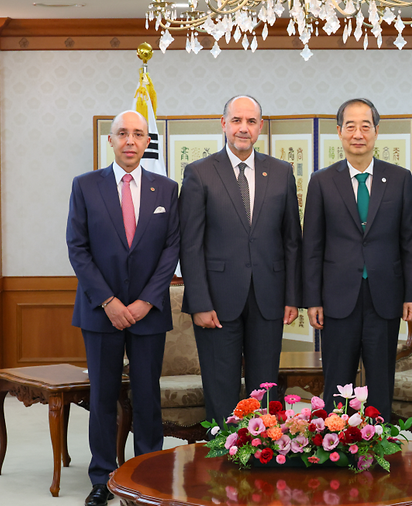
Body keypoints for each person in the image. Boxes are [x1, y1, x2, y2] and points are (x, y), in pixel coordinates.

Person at [66, 110, 180, 506]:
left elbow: (171, 250)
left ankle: (147, 472)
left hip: (149, 312)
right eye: (122, 134)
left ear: (147, 140)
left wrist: (146, 300)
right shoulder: (85, 186)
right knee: (103, 397)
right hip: (100, 312)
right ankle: (102, 477)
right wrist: (110, 302)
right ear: (110, 141)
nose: (130, 141)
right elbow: (77, 249)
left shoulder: (166, 189)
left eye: (138, 134)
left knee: (148, 396)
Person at [179, 95, 302, 427]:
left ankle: (265, 458)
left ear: (260, 126)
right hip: (216, 302)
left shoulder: (281, 172)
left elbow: (292, 240)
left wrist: (293, 296)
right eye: (236, 121)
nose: (243, 128)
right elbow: (189, 245)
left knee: (265, 387)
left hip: (269, 297)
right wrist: (200, 302)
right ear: (223, 124)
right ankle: (222, 462)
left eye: (251, 122)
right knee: (222, 386)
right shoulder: (199, 173)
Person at [302, 98, 412, 420]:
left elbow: (411, 241)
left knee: (381, 380)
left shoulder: (399, 178)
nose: (358, 133)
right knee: (337, 381)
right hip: (337, 298)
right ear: (339, 132)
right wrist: (312, 299)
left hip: (385, 296)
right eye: (350, 126)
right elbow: (312, 245)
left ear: (376, 131)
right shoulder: (322, 181)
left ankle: (380, 446)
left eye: (365, 126)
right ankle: (334, 449)